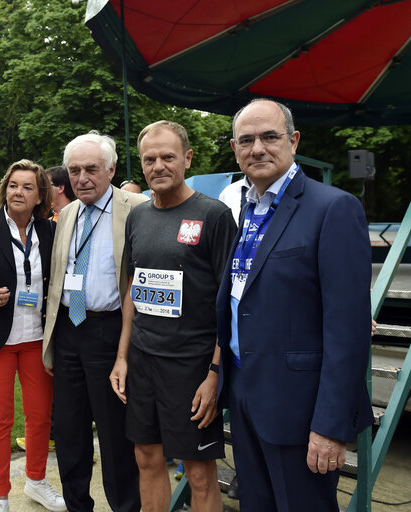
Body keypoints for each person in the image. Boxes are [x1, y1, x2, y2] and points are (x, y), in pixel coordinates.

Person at [216, 99, 373, 511]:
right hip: (245, 392)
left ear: (293, 140)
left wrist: (330, 426)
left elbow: (348, 328)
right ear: (235, 148)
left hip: (301, 408)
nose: (258, 148)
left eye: (270, 136)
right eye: (246, 140)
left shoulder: (333, 208)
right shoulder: (247, 208)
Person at [110, 121, 235, 512]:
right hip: (143, 363)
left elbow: (229, 302)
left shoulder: (214, 216)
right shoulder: (139, 216)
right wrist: (122, 357)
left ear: (187, 158)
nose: (158, 166)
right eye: (150, 159)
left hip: (192, 367)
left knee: (199, 474)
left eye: (168, 157)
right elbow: (133, 288)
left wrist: (215, 373)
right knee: (146, 459)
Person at [43, 131, 147, 512]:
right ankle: (77, 506)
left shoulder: (136, 207)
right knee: (69, 432)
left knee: (114, 433)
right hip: (70, 328)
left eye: (91, 168)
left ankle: (124, 507)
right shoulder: (67, 213)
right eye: (74, 170)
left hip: (111, 330)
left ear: (112, 169)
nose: (82, 177)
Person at [0, 160, 64, 512]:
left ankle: (36, 481)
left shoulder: (51, 231)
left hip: (38, 339)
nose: (17, 192)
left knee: (40, 417)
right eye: (12, 185)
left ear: (41, 196)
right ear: (4, 190)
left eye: (26, 187)